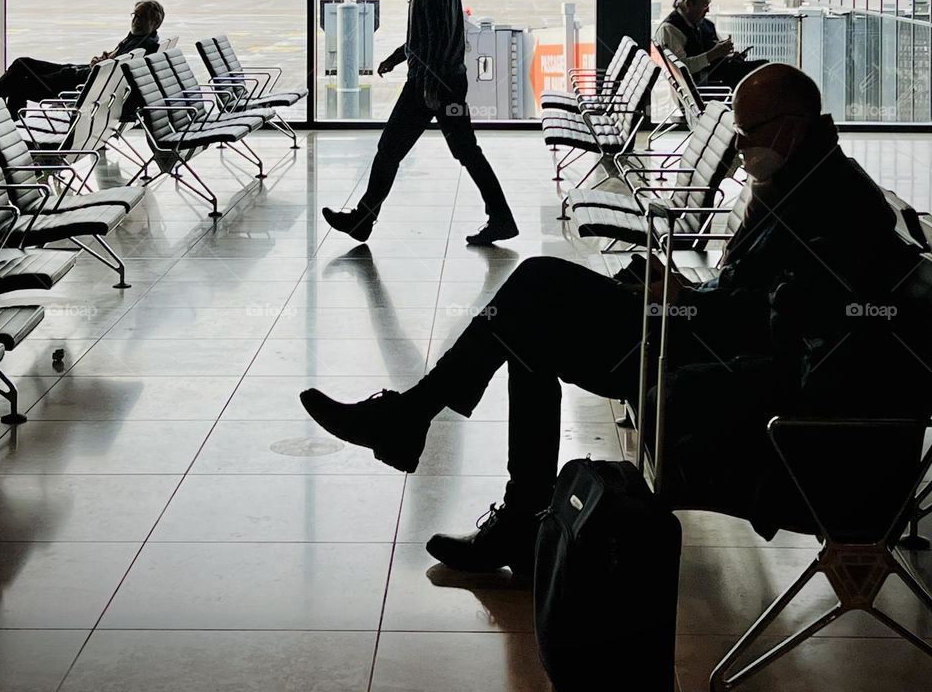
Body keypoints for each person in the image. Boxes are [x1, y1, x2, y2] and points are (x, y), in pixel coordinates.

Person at [301, 64, 930, 572]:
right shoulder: (807, 180)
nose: (740, 152)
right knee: (529, 313)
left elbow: (780, 330)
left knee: (534, 293)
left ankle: (420, 427)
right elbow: (762, 301)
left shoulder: (830, 208)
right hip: (700, 331)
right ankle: (496, 498)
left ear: (788, 130)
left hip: (708, 361)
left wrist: (683, 299)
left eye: (746, 136)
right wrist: (685, 289)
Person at [322, 0, 518, 247]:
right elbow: (423, 36)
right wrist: (397, 58)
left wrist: (429, 83)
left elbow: (437, 38)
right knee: (461, 151)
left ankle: (363, 219)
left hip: (432, 85)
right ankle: (500, 218)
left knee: (392, 150)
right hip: (440, 81)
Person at [0, 0, 166, 119]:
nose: (135, 20)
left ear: (155, 22)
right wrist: (105, 58)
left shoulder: (141, 44)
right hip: (78, 73)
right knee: (22, 63)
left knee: (16, 84)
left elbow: (110, 71)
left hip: (74, 84)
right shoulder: (143, 40)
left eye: (141, 17)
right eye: (134, 15)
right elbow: (115, 62)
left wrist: (98, 65)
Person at [655, 0, 762, 89]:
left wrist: (729, 56)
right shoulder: (670, 30)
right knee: (763, 71)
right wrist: (713, 54)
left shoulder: (705, 24)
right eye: (705, 5)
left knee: (764, 67)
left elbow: (716, 49)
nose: (708, 10)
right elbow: (680, 68)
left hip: (718, 75)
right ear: (688, 4)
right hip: (707, 83)